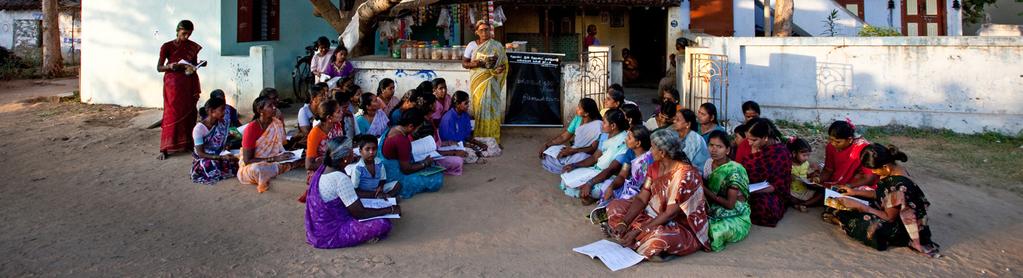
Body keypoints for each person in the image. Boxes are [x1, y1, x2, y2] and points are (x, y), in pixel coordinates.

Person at [606, 129, 709, 261]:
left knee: (658, 239)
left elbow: (670, 213)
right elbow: (642, 197)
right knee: (615, 206)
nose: (649, 151)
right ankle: (631, 235)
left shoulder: (685, 175)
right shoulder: (654, 167)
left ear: (662, 152)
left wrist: (639, 230)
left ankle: (645, 242)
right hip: (653, 214)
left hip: (680, 224)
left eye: (652, 147)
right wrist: (624, 222)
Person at [831, 144, 940, 258]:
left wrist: (861, 206)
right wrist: (854, 192)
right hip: (888, 210)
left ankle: (842, 220)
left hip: (901, 226)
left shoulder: (898, 185)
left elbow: (889, 217)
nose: (873, 172)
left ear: (885, 167)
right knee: (848, 200)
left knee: (867, 224)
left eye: (874, 169)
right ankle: (843, 216)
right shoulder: (894, 171)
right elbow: (880, 195)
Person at [305, 137, 397, 249]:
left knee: (368, 206)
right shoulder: (340, 178)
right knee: (383, 223)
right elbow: (360, 213)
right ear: (344, 158)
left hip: (319, 227)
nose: (353, 153)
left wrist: (374, 196)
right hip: (332, 232)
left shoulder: (323, 169)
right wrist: (390, 210)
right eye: (350, 151)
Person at [560, 109, 630, 204]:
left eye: (604, 122)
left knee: (601, 189)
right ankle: (586, 194)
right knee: (565, 179)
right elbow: (595, 157)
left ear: (613, 126)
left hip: (611, 176)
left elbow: (611, 169)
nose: (602, 125)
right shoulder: (605, 135)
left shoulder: (624, 142)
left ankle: (588, 194)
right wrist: (574, 165)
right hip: (595, 170)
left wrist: (590, 183)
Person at [156, 20, 202, 160]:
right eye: (184, 33)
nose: (186, 37)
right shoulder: (167, 46)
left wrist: (197, 65)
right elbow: (159, 67)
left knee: (190, 111)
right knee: (172, 113)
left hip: (188, 80)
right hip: (173, 84)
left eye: (189, 34)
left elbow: (193, 63)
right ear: (178, 31)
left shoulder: (192, 47)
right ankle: (165, 148)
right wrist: (170, 66)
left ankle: (188, 143)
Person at [238, 96, 302, 193]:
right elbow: (247, 160)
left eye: (274, 105)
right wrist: (274, 159)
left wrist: (295, 149)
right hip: (254, 164)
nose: (274, 108)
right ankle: (285, 166)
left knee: (301, 156)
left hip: (275, 160)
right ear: (260, 110)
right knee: (257, 169)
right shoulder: (251, 128)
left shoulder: (277, 123)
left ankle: (286, 164)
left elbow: (281, 146)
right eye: (270, 106)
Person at [701, 130, 751, 252]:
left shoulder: (735, 170)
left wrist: (704, 189)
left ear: (728, 150)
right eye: (711, 145)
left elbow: (730, 204)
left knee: (714, 231)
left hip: (736, 211)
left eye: (719, 146)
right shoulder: (708, 163)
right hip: (714, 205)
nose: (714, 150)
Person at [739, 118, 792, 227]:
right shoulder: (749, 144)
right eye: (748, 139)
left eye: (754, 140)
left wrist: (747, 191)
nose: (749, 143)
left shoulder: (780, 153)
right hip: (747, 186)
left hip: (770, 193)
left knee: (764, 208)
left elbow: (776, 186)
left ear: (766, 138)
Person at [462, 20, 509, 143]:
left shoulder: (497, 45)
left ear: (490, 31)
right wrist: (475, 63)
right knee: (480, 108)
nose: (484, 32)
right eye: (481, 30)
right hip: (478, 82)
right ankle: (480, 136)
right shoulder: (472, 45)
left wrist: (500, 69)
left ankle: (493, 137)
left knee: (493, 109)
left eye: (486, 29)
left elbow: (504, 63)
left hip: (492, 81)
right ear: (477, 32)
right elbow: (464, 63)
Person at [381, 108, 444, 199]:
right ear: (411, 126)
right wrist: (425, 163)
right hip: (394, 176)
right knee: (437, 178)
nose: (418, 130)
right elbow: (406, 169)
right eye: (418, 127)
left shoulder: (392, 129)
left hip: (385, 169)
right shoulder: (401, 140)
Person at [540, 98, 603, 174]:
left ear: (586, 113)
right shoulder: (577, 118)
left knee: (583, 157)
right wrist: (547, 144)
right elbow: (564, 137)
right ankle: (568, 167)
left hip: (583, 153)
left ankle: (569, 166)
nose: (576, 109)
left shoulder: (599, 125)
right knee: (549, 152)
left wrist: (573, 151)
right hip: (573, 149)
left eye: (579, 108)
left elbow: (593, 149)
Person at [298, 99, 344, 203]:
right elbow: (309, 165)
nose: (341, 112)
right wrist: (333, 162)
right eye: (338, 111)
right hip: (321, 169)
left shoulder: (337, 125)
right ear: (329, 118)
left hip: (336, 162)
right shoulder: (315, 133)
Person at [596, 125, 653, 207]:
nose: (625, 139)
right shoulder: (630, 152)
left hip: (641, 191)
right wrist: (611, 187)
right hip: (630, 185)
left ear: (638, 143)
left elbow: (647, 187)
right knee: (607, 185)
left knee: (626, 199)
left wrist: (637, 196)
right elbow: (622, 175)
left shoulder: (649, 160)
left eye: (629, 138)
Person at [439, 91, 501, 164]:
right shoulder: (448, 118)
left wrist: (478, 143)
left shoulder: (465, 115)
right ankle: (479, 154)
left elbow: (467, 135)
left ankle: (480, 153)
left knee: (491, 140)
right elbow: (452, 142)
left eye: (468, 102)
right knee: (469, 153)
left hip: (465, 142)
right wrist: (470, 146)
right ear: (458, 104)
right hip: (453, 145)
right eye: (466, 103)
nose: (468, 105)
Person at [191, 97, 239, 184]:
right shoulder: (198, 129)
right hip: (205, 157)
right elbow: (200, 153)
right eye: (222, 110)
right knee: (211, 164)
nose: (224, 112)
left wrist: (226, 147)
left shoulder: (222, 123)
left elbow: (223, 140)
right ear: (211, 111)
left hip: (220, 153)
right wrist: (221, 157)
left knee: (235, 158)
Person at [821, 120, 877, 194]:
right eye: (831, 139)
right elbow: (828, 169)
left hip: (857, 184)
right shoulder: (830, 147)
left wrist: (848, 186)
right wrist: (818, 179)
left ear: (850, 139)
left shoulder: (863, 148)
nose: (833, 144)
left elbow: (869, 178)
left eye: (838, 142)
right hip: (838, 182)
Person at [787, 137, 822, 212]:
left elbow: (804, 176)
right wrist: (789, 177)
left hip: (804, 190)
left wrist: (813, 175)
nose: (806, 158)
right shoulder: (788, 164)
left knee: (822, 192)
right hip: (792, 192)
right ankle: (801, 204)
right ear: (794, 153)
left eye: (808, 155)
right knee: (787, 197)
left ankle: (804, 204)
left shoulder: (805, 164)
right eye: (804, 155)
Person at [673, 109, 710, 174]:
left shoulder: (694, 139)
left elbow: (682, 162)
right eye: (674, 119)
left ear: (688, 124)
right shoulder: (676, 135)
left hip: (696, 175)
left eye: (678, 120)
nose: (674, 121)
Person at [296, 83, 329, 147]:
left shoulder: (324, 109)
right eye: (321, 95)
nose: (325, 97)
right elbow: (306, 133)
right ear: (313, 99)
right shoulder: (303, 111)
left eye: (324, 95)